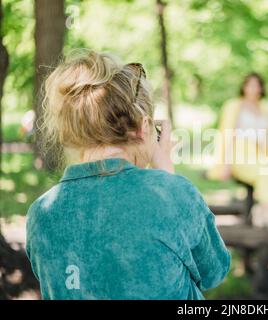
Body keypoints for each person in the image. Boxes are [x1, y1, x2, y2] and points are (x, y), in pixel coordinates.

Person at [26, 49, 230, 299]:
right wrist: (166, 178)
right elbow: (213, 271)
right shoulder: (173, 194)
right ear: (143, 127)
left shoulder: (41, 213)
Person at [207, 73, 268, 232]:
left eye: (257, 85)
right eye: (249, 84)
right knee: (264, 172)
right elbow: (227, 134)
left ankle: (261, 210)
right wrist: (226, 163)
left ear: (261, 88)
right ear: (244, 87)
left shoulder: (265, 108)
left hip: (259, 153)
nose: (253, 88)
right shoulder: (234, 105)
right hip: (239, 154)